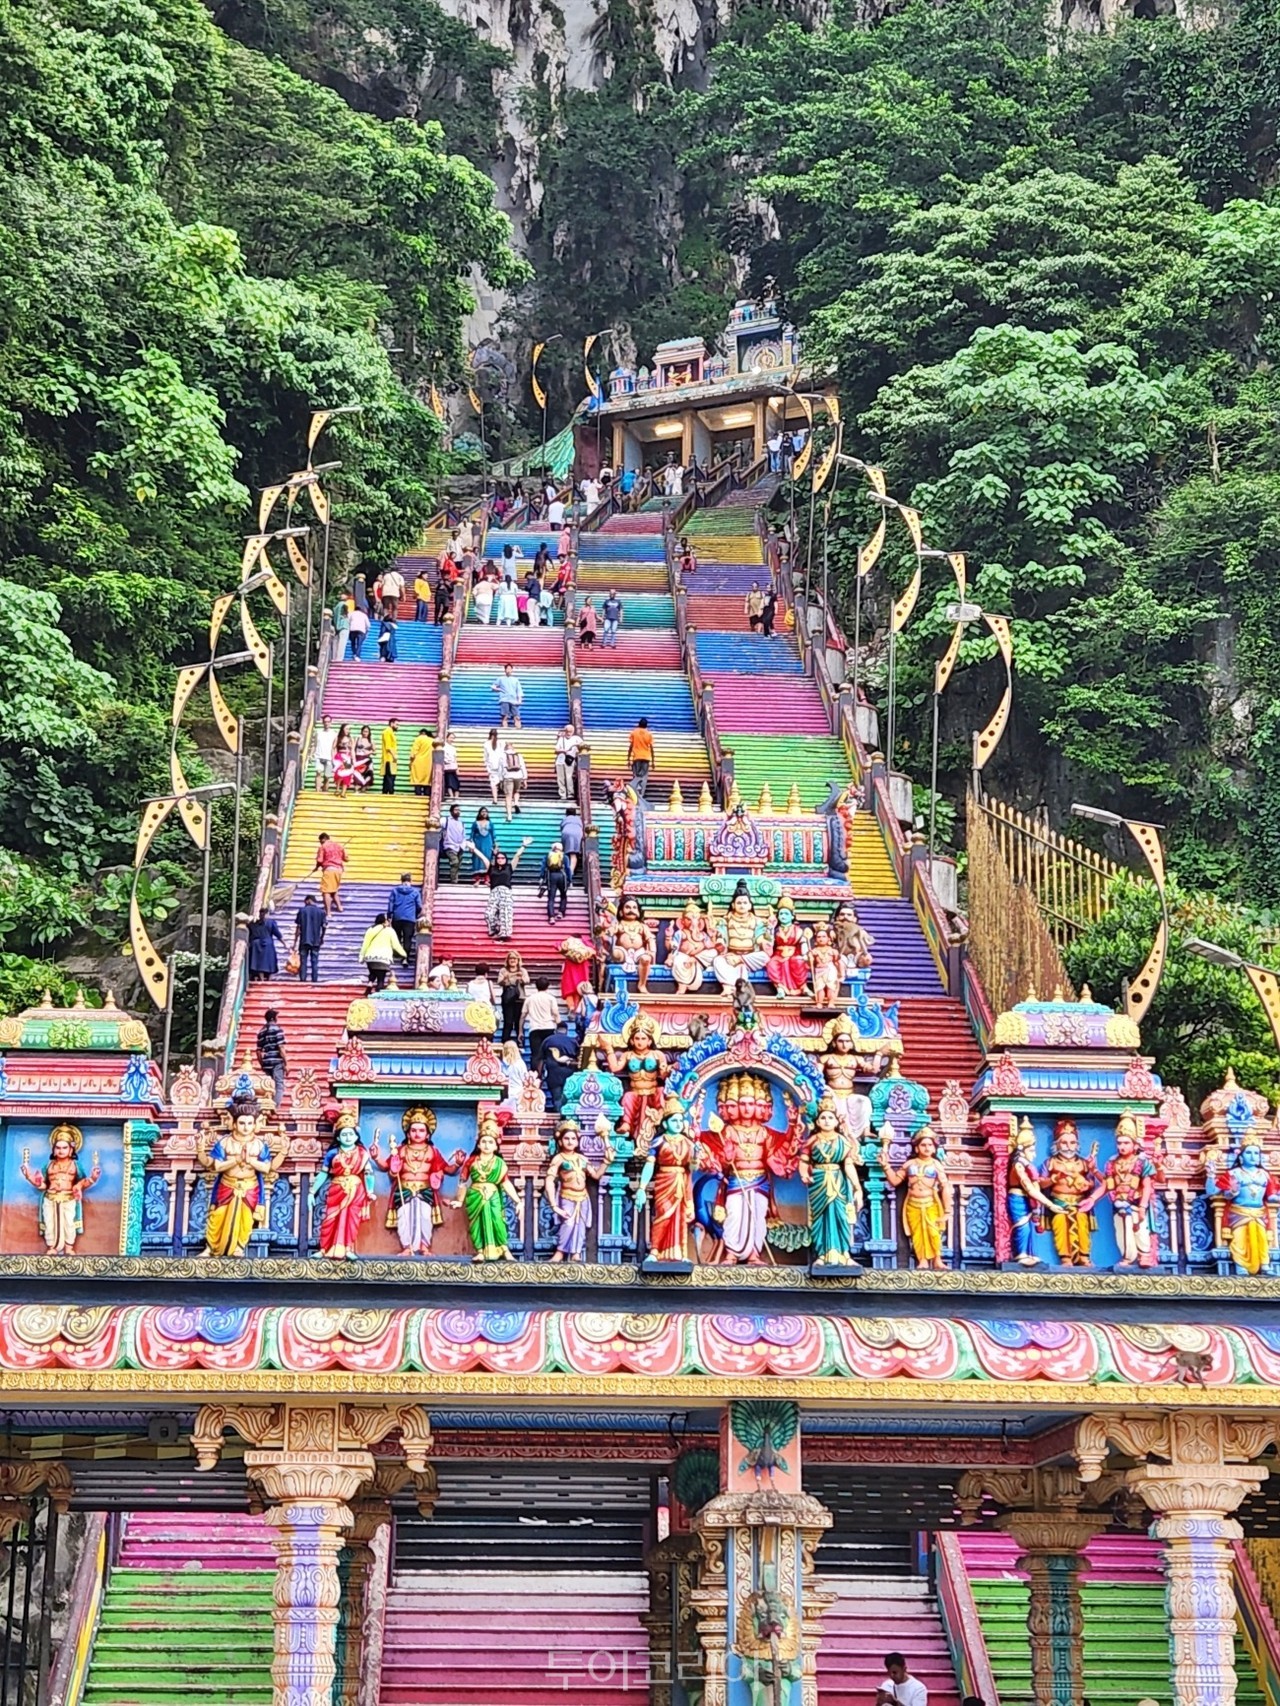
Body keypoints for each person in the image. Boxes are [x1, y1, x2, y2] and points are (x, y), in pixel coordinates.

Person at [485, 841, 533, 941]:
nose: (500, 860)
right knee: (489, 914)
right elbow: (483, 858)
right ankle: (494, 929)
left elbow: (517, 855)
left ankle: (504, 934)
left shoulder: (509, 868)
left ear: (506, 859)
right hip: (494, 892)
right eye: (498, 858)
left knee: (505, 913)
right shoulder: (492, 868)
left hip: (506, 892)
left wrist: (523, 845)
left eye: (502, 858)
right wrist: (474, 849)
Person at [359, 912, 405, 991]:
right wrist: (404, 954)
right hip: (383, 958)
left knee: (373, 972)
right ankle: (378, 993)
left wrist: (361, 955)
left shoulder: (371, 929)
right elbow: (396, 945)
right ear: (385, 921)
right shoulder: (390, 931)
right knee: (381, 978)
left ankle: (370, 982)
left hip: (370, 957)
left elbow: (365, 943)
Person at [524, 977, 561, 1070]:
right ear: (547, 986)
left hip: (535, 1028)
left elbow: (523, 1015)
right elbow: (555, 1013)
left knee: (536, 1055)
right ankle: (551, 1074)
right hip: (548, 1027)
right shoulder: (551, 998)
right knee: (550, 1053)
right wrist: (559, 1024)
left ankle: (535, 1077)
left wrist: (520, 1030)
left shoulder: (530, 999)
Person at [541, 1019, 578, 1112]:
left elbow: (540, 1058)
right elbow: (578, 1059)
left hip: (553, 1074)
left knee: (557, 1098)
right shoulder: (573, 1042)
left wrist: (539, 1075)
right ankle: (565, 1118)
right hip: (569, 1074)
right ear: (566, 1030)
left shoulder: (547, 1040)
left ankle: (558, 1118)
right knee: (567, 1098)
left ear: (556, 1029)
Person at [387, 872, 422, 963]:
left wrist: (389, 915)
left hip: (397, 917)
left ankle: (396, 953)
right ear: (410, 880)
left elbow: (391, 904)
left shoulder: (395, 891)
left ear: (401, 880)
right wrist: (415, 914)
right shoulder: (415, 892)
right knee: (408, 938)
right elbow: (419, 906)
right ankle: (405, 958)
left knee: (397, 936)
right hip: (410, 918)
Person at [256, 1008, 287, 1107]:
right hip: (277, 1061)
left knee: (268, 1085)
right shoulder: (278, 1030)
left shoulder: (261, 1032)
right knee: (279, 1085)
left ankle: (266, 1106)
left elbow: (258, 1050)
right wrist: (286, 1063)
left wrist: (262, 1063)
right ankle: (275, 1107)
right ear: (273, 1018)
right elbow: (281, 1047)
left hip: (266, 1062)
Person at [310, 832, 347, 916]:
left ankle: (328, 912)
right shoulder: (339, 846)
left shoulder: (323, 846)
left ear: (323, 839)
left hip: (329, 869)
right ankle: (340, 907)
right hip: (339, 870)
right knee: (334, 890)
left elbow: (319, 860)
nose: (320, 843)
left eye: (320, 841)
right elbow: (346, 858)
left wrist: (317, 867)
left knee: (326, 892)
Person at [293, 893, 326, 982]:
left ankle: (303, 980)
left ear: (308, 900)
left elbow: (298, 928)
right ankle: (314, 980)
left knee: (303, 961)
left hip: (304, 940)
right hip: (316, 940)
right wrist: (322, 938)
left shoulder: (302, 911)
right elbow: (324, 926)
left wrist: (295, 942)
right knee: (314, 961)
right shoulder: (321, 912)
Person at [497, 950, 527, 1044]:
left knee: (519, 1022)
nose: (512, 960)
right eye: (511, 958)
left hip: (519, 998)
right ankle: (505, 1042)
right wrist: (505, 978)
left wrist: (521, 978)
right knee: (508, 1021)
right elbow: (499, 982)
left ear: (518, 960)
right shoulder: (503, 970)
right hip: (507, 998)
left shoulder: (522, 970)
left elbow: (527, 981)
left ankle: (520, 1041)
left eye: (514, 958)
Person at [247, 909, 284, 981]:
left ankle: (262, 979)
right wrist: (285, 944)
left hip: (257, 945)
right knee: (270, 963)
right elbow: (278, 935)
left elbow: (250, 933)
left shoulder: (254, 924)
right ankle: (269, 980)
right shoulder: (271, 923)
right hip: (268, 944)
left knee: (259, 963)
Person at [540, 841, 570, 922]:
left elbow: (543, 867)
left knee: (551, 898)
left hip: (551, 876)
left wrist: (542, 877)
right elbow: (568, 869)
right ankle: (561, 912)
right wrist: (569, 880)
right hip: (562, 876)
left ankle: (551, 917)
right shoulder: (565, 857)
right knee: (563, 895)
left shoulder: (547, 856)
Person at [628, 717, 655, 798]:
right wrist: (653, 761)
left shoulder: (634, 733)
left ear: (638, 724)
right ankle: (641, 795)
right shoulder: (649, 734)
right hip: (646, 758)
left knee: (636, 776)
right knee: (643, 777)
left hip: (636, 758)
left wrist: (628, 758)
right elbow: (651, 748)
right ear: (646, 725)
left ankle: (635, 793)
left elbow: (631, 746)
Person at [442, 802, 469, 882]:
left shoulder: (461, 823)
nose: (458, 811)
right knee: (455, 862)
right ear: (451, 811)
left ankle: (455, 878)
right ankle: (453, 880)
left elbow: (463, 835)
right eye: (456, 810)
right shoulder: (445, 820)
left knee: (458, 864)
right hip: (449, 845)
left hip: (459, 847)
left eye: (459, 810)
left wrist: (463, 845)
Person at [492, 663, 524, 728]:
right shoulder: (500, 679)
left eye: (510, 669)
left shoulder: (515, 680)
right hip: (504, 700)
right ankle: (505, 729)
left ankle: (518, 730)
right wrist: (498, 689)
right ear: (505, 670)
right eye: (507, 669)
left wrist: (519, 700)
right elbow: (493, 686)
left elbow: (519, 690)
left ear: (512, 670)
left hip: (513, 700)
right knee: (505, 717)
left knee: (517, 717)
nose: (508, 670)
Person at [502, 743, 527, 820]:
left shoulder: (503, 755)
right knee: (516, 791)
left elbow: (501, 767)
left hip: (508, 776)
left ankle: (509, 815)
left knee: (508, 796)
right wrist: (525, 779)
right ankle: (516, 802)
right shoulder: (518, 755)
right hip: (518, 776)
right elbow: (523, 766)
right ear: (513, 748)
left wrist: (500, 779)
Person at [555, 726, 580, 804]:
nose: (568, 733)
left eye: (570, 731)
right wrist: (563, 750)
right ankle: (562, 794)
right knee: (560, 778)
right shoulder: (561, 739)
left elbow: (584, 747)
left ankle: (570, 794)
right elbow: (556, 750)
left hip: (569, 760)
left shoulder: (576, 739)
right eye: (567, 731)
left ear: (573, 731)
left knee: (569, 777)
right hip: (560, 760)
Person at [470, 806, 497, 878]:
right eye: (482, 811)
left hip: (488, 844)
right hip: (478, 844)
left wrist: (496, 846)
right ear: (479, 813)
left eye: (485, 812)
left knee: (488, 859)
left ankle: (487, 879)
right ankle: (477, 879)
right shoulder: (475, 823)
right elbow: (472, 835)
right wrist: (471, 846)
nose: (484, 813)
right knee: (477, 859)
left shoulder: (490, 823)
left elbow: (493, 835)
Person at [483, 728, 507, 805]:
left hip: (492, 766)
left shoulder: (486, 743)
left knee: (493, 783)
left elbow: (485, 757)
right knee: (501, 781)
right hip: (501, 765)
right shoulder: (501, 743)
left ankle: (495, 799)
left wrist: (487, 767)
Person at [559, 806, 584, 882]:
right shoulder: (579, 819)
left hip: (566, 832)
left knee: (566, 853)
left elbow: (561, 827)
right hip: (577, 833)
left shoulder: (565, 819)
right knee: (573, 854)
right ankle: (571, 872)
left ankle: (565, 869)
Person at [313, 715, 337, 792]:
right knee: (318, 772)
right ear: (323, 722)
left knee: (327, 776)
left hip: (329, 757)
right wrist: (311, 754)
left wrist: (334, 758)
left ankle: (325, 790)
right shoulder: (318, 733)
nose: (326, 723)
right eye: (325, 722)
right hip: (319, 756)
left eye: (328, 722)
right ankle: (317, 790)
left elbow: (334, 747)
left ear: (331, 723)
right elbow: (315, 744)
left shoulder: (334, 734)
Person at [409, 726, 434, 797]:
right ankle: (426, 797)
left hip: (418, 763)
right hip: (429, 763)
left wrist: (410, 762)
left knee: (417, 781)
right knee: (427, 781)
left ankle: (418, 797)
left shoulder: (418, 739)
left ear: (421, 733)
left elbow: (413, 754)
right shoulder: (432, 740)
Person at [380, 718, 400, 794]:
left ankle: (385, 793)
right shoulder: (387, 731)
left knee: (388, 777)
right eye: (397, 724)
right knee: (390, 777)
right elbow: (388, 747)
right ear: (391, 724)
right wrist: (394, 756)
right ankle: (390, 794)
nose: (398, 726)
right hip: (389, 759)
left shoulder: (390, 732)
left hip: (391, 759)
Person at [334, 728, 355, 796]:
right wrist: (333, 757)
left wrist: (353, 759)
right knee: (339, 773)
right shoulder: (338, 738)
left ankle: (343, 792)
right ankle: (337, 789)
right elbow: (334, 748)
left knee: (347, 775)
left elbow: (352, 749)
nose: (348, 730)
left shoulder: (350, 738)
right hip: (339, 757)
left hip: (348, 757)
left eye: (349, 729)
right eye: (346, 729)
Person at [440, 729, 460, 801]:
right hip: (447, 766)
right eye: (451, 737)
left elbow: (455, 758)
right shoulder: (443, 747)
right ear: (447, 738)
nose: (452, 739)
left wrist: (457, 767)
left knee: (456, 782)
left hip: (453, 766)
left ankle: (456, 797)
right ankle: (451, 796)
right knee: (449, 782)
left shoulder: (453, 748)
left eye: (453, 738)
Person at [353, 725, 374, 791]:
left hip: (366, 759)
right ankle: (356, 789)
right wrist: (353, 758)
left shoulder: (370, 740)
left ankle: (364, 789)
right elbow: (353, 749)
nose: (365, 733)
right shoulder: (358, 739)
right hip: (358, 758)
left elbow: (374, 750)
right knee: (357, 774)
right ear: (361, 732)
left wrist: (369, 752)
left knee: (367, 774)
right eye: (364, 731)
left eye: (367, 732)